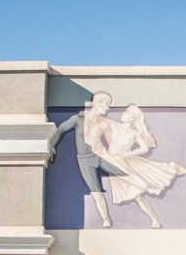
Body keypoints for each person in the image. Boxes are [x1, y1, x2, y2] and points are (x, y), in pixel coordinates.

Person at [103, 104, 186, 228]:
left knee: (162, 169)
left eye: (127, 113)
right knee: (137, 197)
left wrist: (130, 153)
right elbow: (99, 120)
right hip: (114, 164)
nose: (123, 113)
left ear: (132, 118)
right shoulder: (114, 126)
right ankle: (154, 220)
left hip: (126, 162)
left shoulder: (134, 133)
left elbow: (144, 148)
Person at [50, 91, 128, 228]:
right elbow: (61, 130)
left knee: (125, 173)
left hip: (100, 154)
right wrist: (51, 145)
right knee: (96, 190)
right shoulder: (77, 119)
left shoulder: (104, 124)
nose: (108, 108)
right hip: (84, 159)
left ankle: (138, 188)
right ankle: (105, 218)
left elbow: (111, 144)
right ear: (98, 103)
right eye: (106, 104)